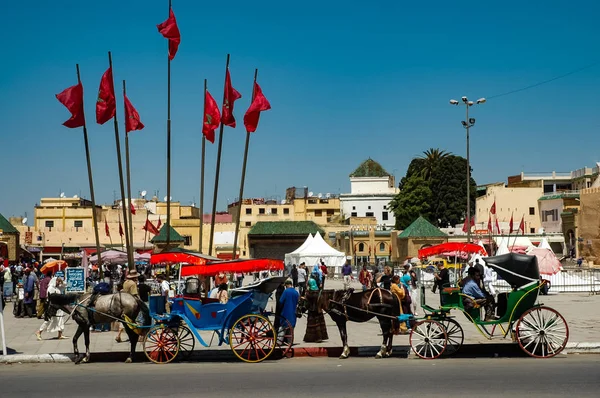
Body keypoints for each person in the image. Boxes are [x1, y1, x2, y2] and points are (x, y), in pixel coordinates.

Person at [303, 275, 328, 343]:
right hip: (319, 311)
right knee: (319, 324)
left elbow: (307, 304)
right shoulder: (319, 292)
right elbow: (322, 302)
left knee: (312, 325)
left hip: (311, 311)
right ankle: (319, 337)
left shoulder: (308, 293)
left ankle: (311, 338)